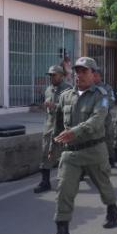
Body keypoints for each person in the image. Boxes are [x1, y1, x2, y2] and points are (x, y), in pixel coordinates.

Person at [45, 56, 117, 234]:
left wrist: (73, 132)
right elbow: (58, 124)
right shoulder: (65, 96)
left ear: (94, 75)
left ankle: (112, 207)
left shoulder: (101, 96)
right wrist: (53, 145)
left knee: (104, 186)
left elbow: (97, 120)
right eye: (77, 71)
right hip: (70, 153)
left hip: (94, 150)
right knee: (63, 191)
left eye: (84, 71)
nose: (79, 75)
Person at [33, 65, 72, 193]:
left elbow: (70, 108)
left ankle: (67, 180)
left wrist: (54, 106)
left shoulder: (68, 89)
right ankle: (45, 182)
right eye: (50, 75)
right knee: (45, 153)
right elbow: (48, 109)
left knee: (65, 156)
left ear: (61, 75)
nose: (51, 77)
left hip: (62, 127)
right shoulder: (48, 90)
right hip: (49, 126)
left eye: (54, 75)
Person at [94, 68, 117, 167]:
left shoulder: (107, 88)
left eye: (96, 75)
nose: (94, 77)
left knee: (108, 139)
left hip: (105, 118)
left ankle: (110, 158)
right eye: (93, 75)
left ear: (100, 76)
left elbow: (111, 100)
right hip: (93, 119)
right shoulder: (89, 87)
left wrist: (102, 107)